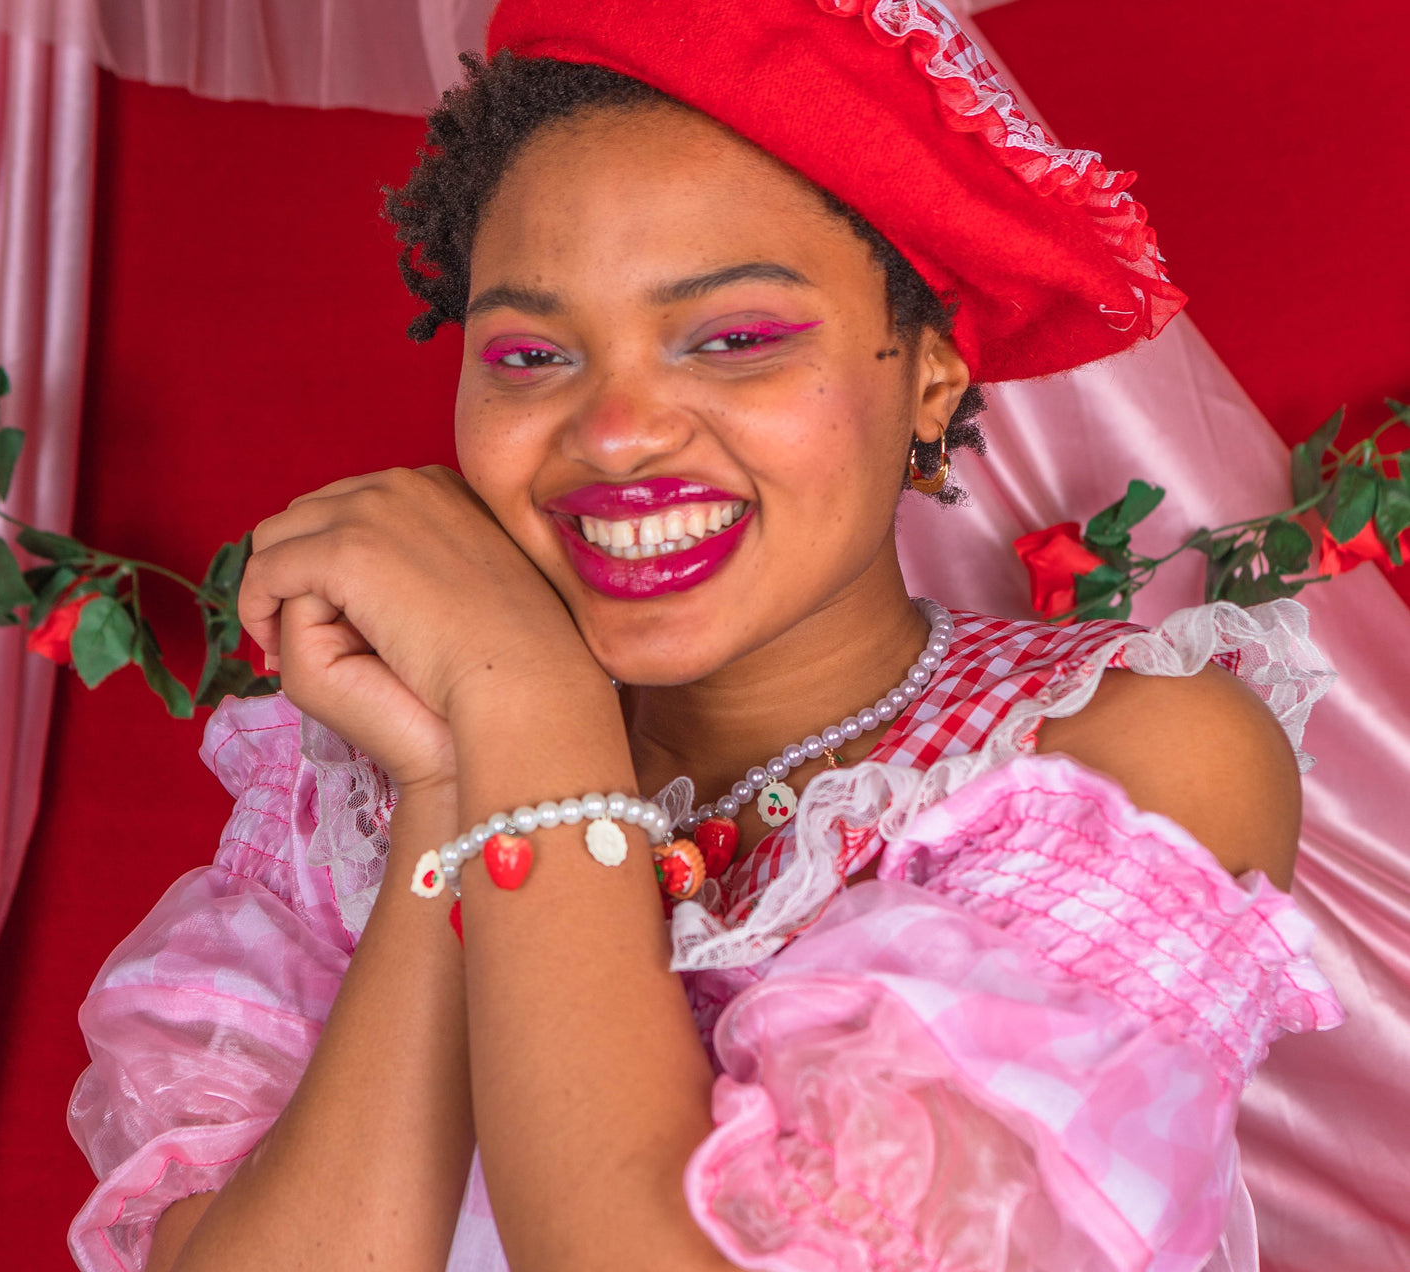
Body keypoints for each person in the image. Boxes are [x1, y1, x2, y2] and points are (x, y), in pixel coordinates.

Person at [67, 2, 1342, 1269]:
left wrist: (527, 712)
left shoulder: (1122, 764)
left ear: (930, 379)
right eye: (526, 353)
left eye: (733, 339)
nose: (615, 431)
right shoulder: (362, 782)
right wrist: (453, 775)